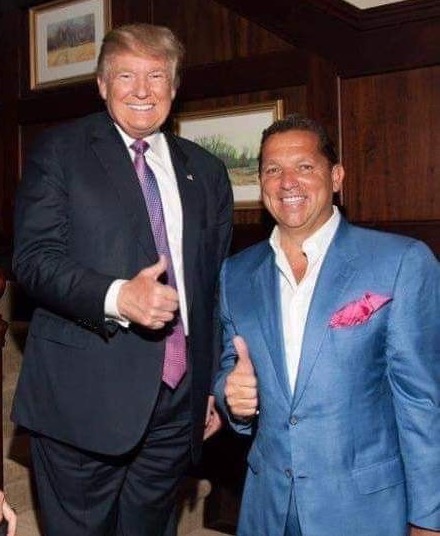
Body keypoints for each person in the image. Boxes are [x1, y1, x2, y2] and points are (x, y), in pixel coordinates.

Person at [12, 23, 233, 536]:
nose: (142, 90)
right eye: (126, 75)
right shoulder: (59, 152)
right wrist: (117, 297)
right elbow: (34, 260)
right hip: (82, 400)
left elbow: (213, 286)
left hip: (176, 404)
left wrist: (209, 385)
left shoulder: (206, 171)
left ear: (174, 86)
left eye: (156, 76)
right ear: (102, 84)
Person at [214, 113, 440, 536]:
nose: (287, 182)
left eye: (304, 166)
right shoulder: (236, 274)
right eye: (273, 170)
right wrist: (233, 396)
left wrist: (430, 517)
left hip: (364, 511)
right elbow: (231, 366)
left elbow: (424, 402)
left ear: (336, 177)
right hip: (267, 510)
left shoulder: (400, 263)